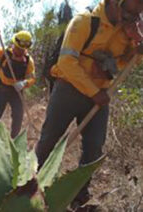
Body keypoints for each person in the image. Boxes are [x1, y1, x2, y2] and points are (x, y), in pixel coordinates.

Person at [35, 0, 143, 208]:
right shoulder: (84, 22)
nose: (133, 17)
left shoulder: (126, 29)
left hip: (100, 93)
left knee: (94, 148)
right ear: (113, 3)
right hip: (69, 90)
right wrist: (94, 92)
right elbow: (66, 62)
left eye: (138, 13)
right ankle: (31, 188)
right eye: (130, 11)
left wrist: (137, 43)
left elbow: (125, 63)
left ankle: (79, 197)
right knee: (49, 139)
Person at [0, 29, 36, 138]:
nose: (21, 51)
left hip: (17, 92)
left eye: (23, 49)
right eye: (19, 48)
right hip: (1, 90)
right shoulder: (4, 52)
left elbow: (32, 78)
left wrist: (24, 83)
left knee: (18, 117)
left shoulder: (28, 60)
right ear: (14, 44)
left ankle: (14, 141)